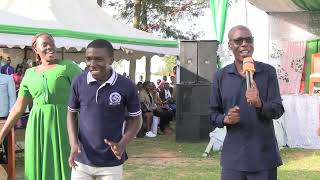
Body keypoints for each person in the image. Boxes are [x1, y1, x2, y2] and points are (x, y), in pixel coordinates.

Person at [0, 33, 82, 180]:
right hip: (37, 128)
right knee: (36, 168)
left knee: (65, 167)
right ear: (36, 49)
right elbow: (18, 108)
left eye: (52, 43)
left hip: (65, 127)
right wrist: (2, 134)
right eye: (45, 44)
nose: (50, 47)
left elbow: (86, 97)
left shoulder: (68, 67)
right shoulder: (30, 74)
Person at [209, 25, 285, 180]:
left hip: (264, 158)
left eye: (248, 40)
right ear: (230, 45)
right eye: (238, 41)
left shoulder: (268, 72)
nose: (244, 44)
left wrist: (259, 104)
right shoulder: (220, 76)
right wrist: (226, 119)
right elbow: (212, 114)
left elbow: (278, 109)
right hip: (233, 160)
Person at [67, 39, 142, 179]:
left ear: (111, 60)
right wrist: (73, 143)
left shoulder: (126, 86)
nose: (92, 64)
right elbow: (71, 114)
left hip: (111, 162)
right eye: (88, 59)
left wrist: (122, 144)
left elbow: (136, 119)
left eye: (98, 59)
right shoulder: (79, 82)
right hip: (82, 160)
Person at [0, 73, 16, 169]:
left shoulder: (8, 79)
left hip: (4, 120)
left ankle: (8, 173)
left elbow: (13, 100)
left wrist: (12, 118)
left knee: (6, 150)